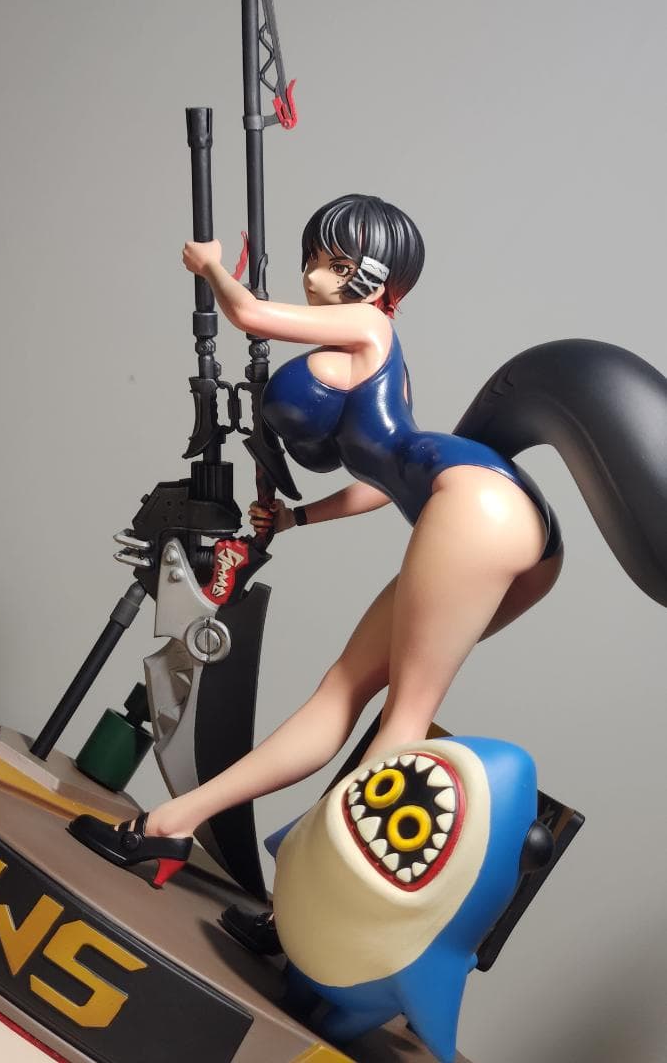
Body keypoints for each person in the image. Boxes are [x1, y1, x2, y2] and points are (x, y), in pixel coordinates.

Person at [68, 193, 667, 890]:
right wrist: (295, 520)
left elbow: (249, 316)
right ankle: (174, 827)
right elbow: (383, 484)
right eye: (313, 260)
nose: (314, 276)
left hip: (479, 508)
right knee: (342, 692)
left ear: (377, 278)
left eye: (335, 263)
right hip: (500, 521)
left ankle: (321, 901)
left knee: (403, 717)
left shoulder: (367, 324)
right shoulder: (382, 362)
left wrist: (211, 268)